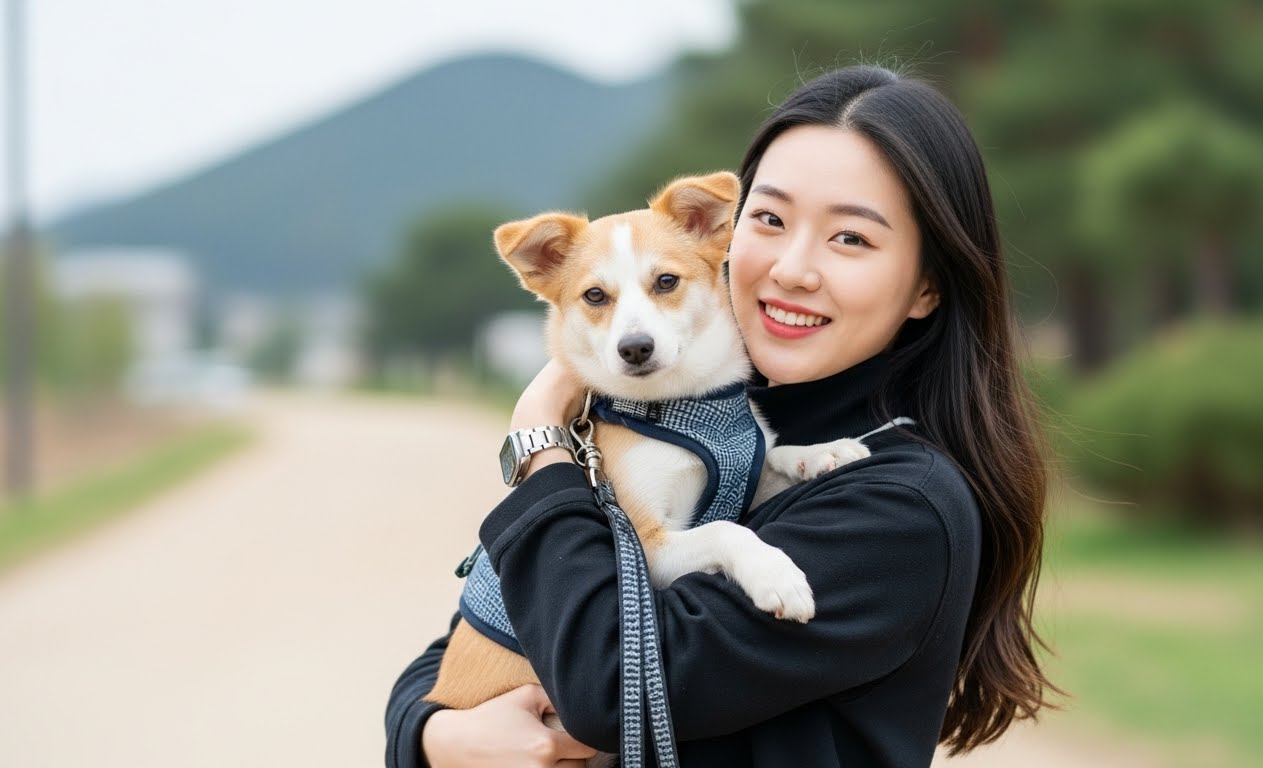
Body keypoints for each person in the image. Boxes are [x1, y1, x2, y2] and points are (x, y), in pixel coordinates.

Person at [385, 65, 1054, 768]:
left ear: (926, 287)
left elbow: (612, 687)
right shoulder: (715, 427)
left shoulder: (902, 509)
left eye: (850, 238)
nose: (791, 268)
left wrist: (540, 443)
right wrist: (433, 736)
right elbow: (453, 650)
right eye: (770, 220)